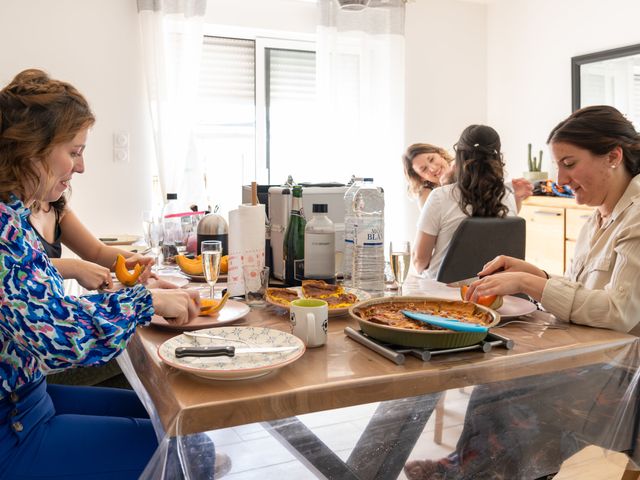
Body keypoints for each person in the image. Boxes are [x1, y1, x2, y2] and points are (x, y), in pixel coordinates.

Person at [405, 105, 640, 479]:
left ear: (613, 156)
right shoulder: (599, 216)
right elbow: (585, 288)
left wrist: (533, 284)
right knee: (501, 378)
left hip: (625, 376)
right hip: (597, 359)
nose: (559, 178)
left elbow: (620, 312)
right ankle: (466, 467)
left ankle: (468, 471)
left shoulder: (637, 215)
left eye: (569, 163)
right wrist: (536, 272)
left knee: (514, 394)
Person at [0, 69, 208, 478]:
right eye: (74, 151)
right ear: (32, 148)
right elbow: (57, 340)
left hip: (28, 399)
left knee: (183, 425)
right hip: (13, 426)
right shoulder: (5, 229)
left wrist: (132, 294)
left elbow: (43, 309)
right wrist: (143, 301)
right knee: (189, 452)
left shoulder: (14, 216)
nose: (81, 167)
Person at [412, 125, 520, 279]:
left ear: (458, 158)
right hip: (494, 292)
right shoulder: (508, 195)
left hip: (444, 294)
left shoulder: (439, 196)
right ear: (497, 158)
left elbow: (419, 261)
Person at [29, 196, 155, 291]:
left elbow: (96, 252)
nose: (80, 168)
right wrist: (75, 267)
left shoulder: (55, 204)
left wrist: (134, 260)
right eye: (72, 159)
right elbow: (20, 264)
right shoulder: (11, 213)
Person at [402, 142, 533, 211]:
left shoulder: (468, 169)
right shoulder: (427, 195)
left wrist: (516, 197)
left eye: (431, 159)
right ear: (420, 177)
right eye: (424, 169)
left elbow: (503, 212)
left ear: (440, 154)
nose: (433, 168)